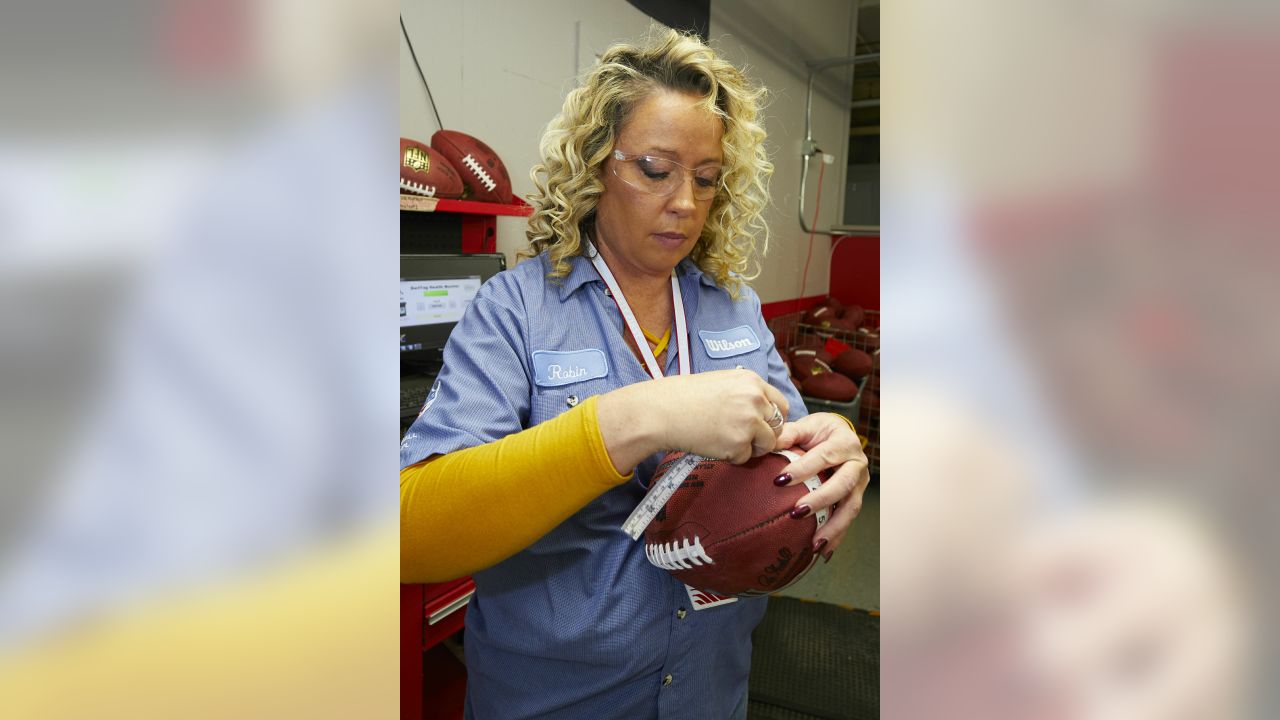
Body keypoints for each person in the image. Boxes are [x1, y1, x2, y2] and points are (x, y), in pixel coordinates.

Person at [400, 29, 869, 719]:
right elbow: (413, 533)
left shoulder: (730, 306)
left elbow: (792, 454)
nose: (685, 201)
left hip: (710, 696)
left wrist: (833, 452)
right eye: (655, 169)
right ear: (594, 165)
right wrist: (636, 419)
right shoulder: (516, 309)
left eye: (706, 179)